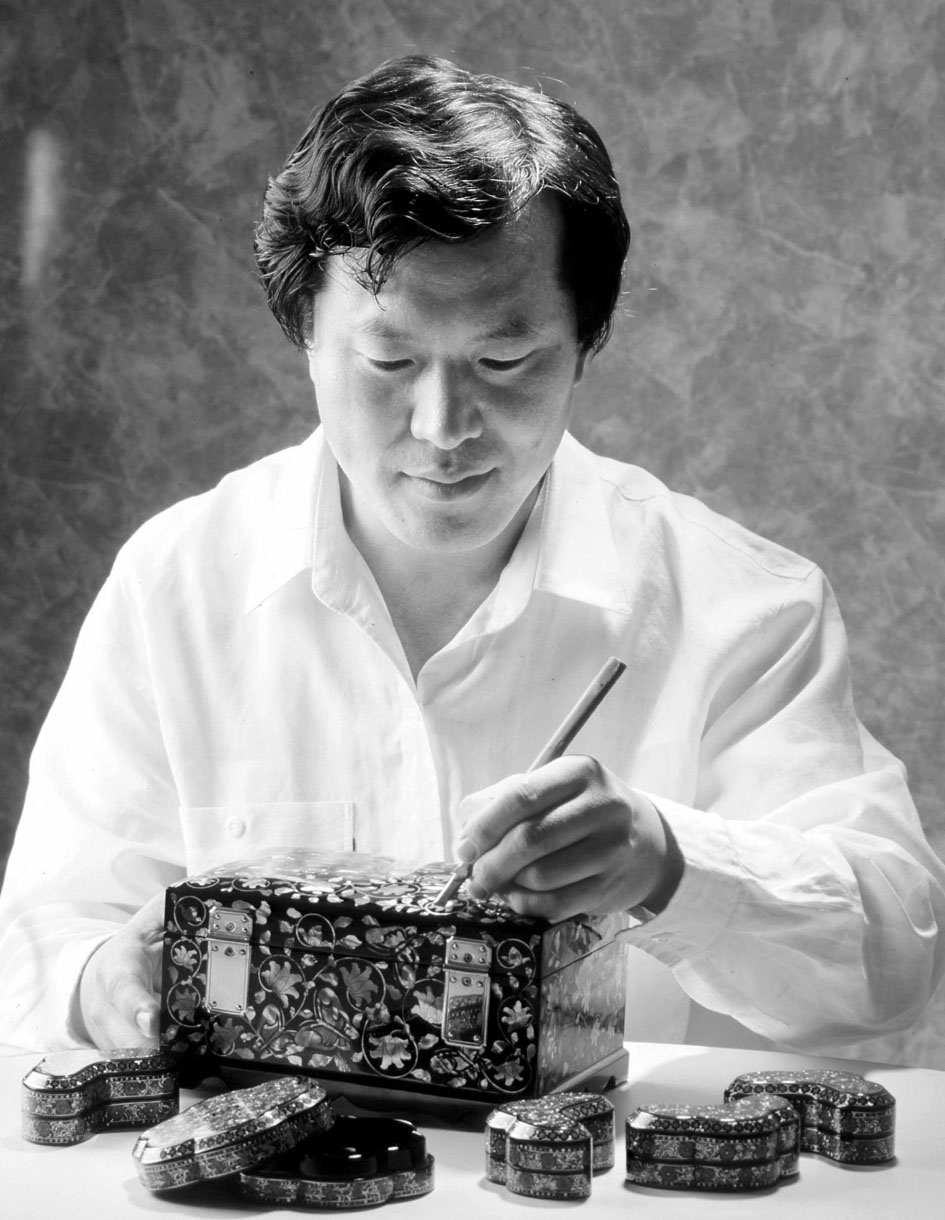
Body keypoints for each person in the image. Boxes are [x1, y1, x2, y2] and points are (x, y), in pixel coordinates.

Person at [1, 54, 942, 1060]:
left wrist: (669, 863)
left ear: (586, 341)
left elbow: (895, 960)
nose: (443, 427)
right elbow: (44, 932)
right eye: (390, 360)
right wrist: (101, 981)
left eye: (505, 360)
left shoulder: (743, 605)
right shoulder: (177, 585)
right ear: (304, 329)